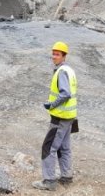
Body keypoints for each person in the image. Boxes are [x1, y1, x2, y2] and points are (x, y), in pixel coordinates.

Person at [32, 41, 78, 191]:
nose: (54, 57)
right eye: (53, 53)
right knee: (64, 147)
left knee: (48, 147)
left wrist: (51, 105)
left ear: (64, 56)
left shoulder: (62, 72)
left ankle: (49, 181)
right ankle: (66, 176)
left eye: (57, 54)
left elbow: (65, 94)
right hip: (69, 116)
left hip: (60, 116)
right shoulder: (69, 70)